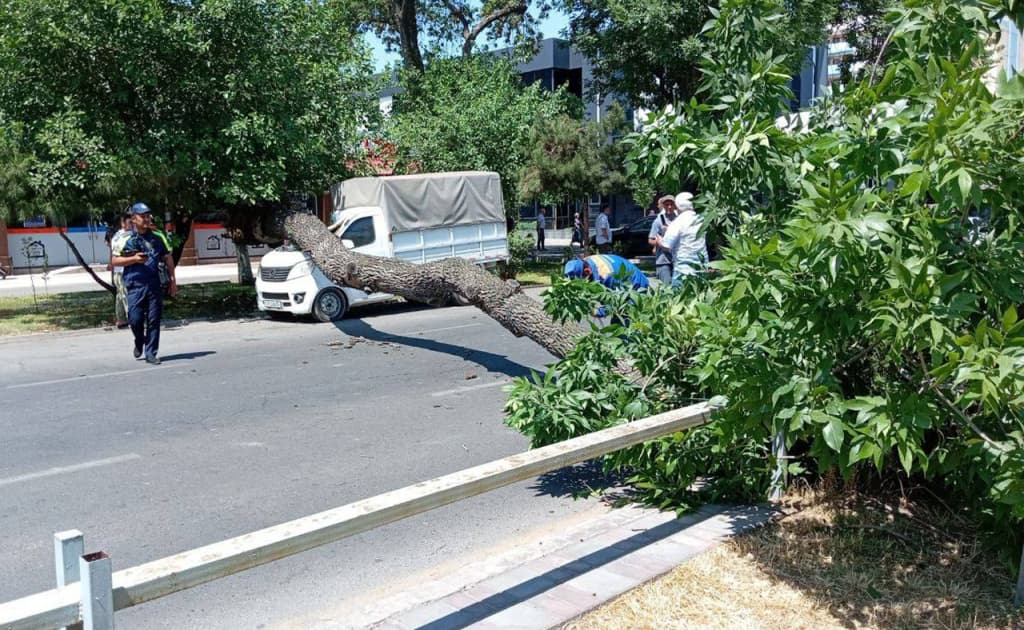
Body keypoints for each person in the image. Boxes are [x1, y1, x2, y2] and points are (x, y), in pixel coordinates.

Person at [111, 202, 177, 364]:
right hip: (135, 285)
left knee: (154, 320)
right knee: (135, 319)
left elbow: (168, 257)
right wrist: (134, 259)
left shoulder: (158, 236)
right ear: (134, 218)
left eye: (148, 216)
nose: (146, 219)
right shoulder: (125, 238)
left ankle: (151, 353)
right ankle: (139, 340)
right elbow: (114, 261)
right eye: (143, 216)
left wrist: (173, 281)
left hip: (154, 285)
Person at [659, 192, 708, 285]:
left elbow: (666, 246)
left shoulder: (678, 222)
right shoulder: (701, 219)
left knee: (680, 296)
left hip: (683, 269)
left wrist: (659, 240)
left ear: (677, 206)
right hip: (702, 266)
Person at [563, 253, 649, 291]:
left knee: (627, 318)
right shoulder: (586, 261)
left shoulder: (607, 275)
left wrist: (599, 312)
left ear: (587, 271)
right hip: (622, 277)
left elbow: (615, 298)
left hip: (636, 284)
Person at [105, 213, 132, 328]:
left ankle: (121, 319)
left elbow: (112, 252)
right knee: (126, 295)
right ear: (123, 223)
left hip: (117, 271)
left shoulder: (116, 235)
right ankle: (132, 318)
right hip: (123, 270)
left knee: (120, 296)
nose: (132, 224)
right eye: (130, 222)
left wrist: (111, 263)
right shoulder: (126, 236)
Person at [648, 195, 678, 286]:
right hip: (663, 260)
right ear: (663, 206)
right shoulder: (658, 221)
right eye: (666, 204)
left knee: (678, 287)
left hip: (677, 259)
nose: (669, 207)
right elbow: (650, 240)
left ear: (675, 205)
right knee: (666, 287)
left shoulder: (679, 219)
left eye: (671, 204)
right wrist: (658, 243)